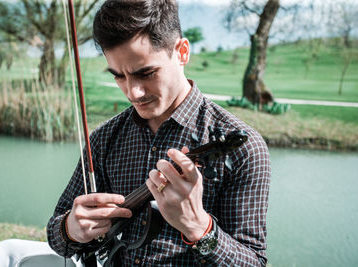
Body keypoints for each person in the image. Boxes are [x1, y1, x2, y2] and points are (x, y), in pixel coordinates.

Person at [47, 0, 271, 266]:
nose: (133, 92)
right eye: (119, 76)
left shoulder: (246, 149)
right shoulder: (104, 138)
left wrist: (199, 227)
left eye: (146, 73)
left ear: (182, 52)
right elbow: (55, 233)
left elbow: (253, 262)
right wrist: (70, 228)